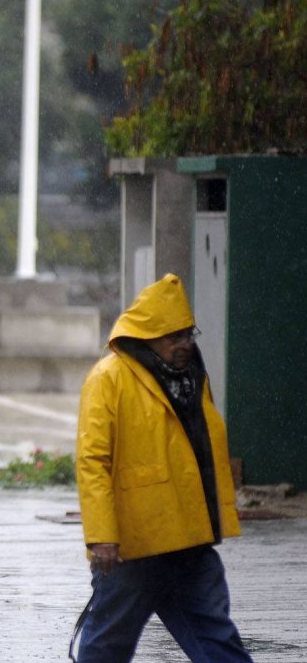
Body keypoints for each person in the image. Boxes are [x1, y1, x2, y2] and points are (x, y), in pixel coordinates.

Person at [73, 274, 251, 662]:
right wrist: (102, 536)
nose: (185, 344)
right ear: (147, 336)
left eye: (189, 334)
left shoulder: (190, 378)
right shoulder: (109, 379)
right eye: (175, 337)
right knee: (106, 648)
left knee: (217, 641)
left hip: (188, 541)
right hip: (135, 547)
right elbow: (93, 461)